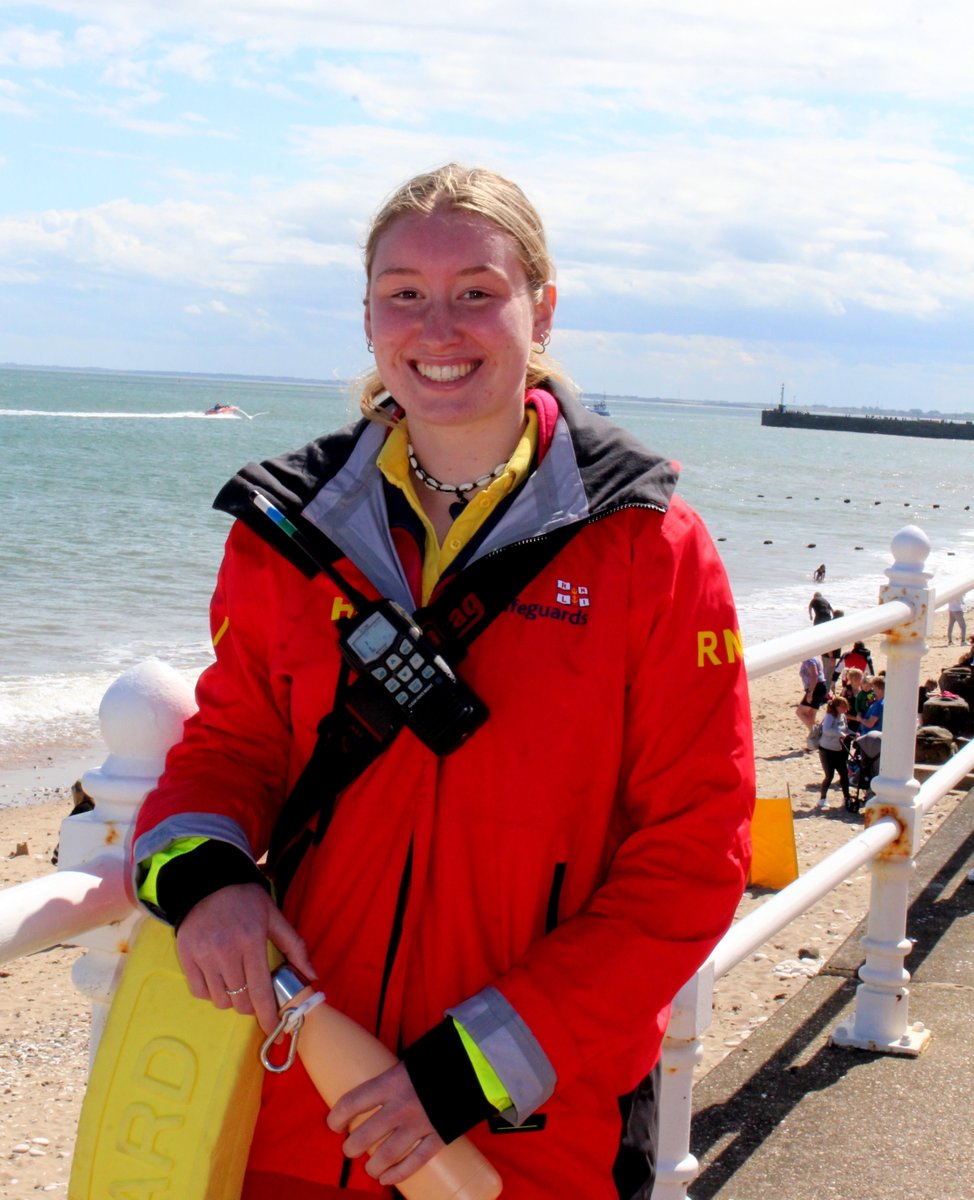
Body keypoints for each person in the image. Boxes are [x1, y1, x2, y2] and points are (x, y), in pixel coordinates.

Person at [130, 164, 754, 1200]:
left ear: (539, 311)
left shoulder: (649, 545)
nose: (438, 327)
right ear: (368, 318)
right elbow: (231, 748)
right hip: (299, 1101)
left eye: (476, 291)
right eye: (404, 294)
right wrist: (207, 880)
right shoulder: (288, 529)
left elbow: (694, 854)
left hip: (530, 1133)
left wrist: (466, 1070)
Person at [817, 695, 852, 811]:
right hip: (827, 749)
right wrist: (840, 734)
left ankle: (846, 797)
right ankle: (822, 798)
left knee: (844, 774)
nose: (845, 709)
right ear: (837, 707)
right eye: (843, 707)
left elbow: (845, 729)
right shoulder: (830, 716)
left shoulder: (842, 716)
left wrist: (853, 733)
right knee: (829, 775)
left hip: (838, 749)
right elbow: (826, 730)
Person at [796, 655, 827, 733]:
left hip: (816, 688)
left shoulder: (809, 660)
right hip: (819, 687)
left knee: (800, 712)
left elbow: (814, 675)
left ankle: (816, 733)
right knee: (811, 715)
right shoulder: (813, 658)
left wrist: (810, 693)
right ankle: (815, 734)